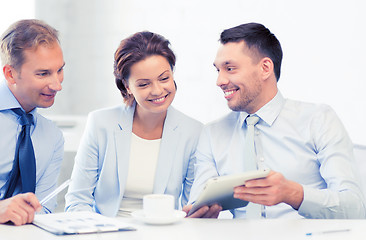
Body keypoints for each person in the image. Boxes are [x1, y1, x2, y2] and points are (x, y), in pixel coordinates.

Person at [184, 22, 365, 219]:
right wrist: (199, 215)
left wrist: (293, 194)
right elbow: (198, 204)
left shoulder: (318, 119)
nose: (219, 81)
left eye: (230, 68)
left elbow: (355, 207)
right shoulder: (212, 134)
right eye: (218, 70)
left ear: (265, 68)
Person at [65, 31, 203, 217]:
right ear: (127, 87)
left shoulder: (193, 132)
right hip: (105, 232)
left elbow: (192, 207)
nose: (157, 90)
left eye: (164, 78)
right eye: (144, 84)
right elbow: (77, 200)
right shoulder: (100, 124)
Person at [0, 19, 65, 225]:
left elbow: (43, 209)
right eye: (43, 73)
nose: (57, 85)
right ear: (11, 74)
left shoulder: (52, 136)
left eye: (60, 70)